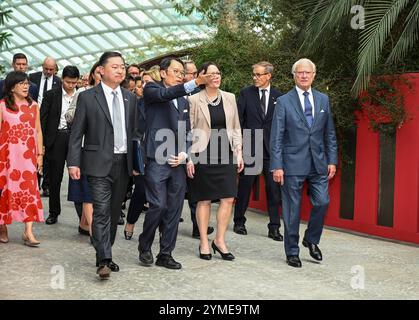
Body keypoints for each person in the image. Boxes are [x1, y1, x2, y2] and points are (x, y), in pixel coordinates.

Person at [67, 52, 138, 279]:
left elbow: (135, 134)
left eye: (122, 67)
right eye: (115, 66)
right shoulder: (88, 97)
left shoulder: (130, 98)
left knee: (115, 211)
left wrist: (136, 162)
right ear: (101, 70)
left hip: (123, 162)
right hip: (97, 163)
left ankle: (106, 251)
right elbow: (77, 134)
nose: (120, 70)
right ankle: (104, 259)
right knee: (101, 212)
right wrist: (73, 162)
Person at [138, 57, 213, 270]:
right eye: (176, 71)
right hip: (157, 158)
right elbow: (166, 94)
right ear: (162, 73)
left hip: (178, 161)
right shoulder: (152, 90)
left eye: (182, 72)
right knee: (158, 205)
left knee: (174, 209)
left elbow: (188, 132)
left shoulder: (183, 100)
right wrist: (195, 83)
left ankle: (165, 253)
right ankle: (145, 246)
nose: (180, 75)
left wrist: (185, 153)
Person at [270, 58, 338, 268]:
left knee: (322, 202)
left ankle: (311, 239)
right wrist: (277, 165)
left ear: (314, 75)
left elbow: (329, 133)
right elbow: (277, 136)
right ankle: (292, 251)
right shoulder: (283, 101)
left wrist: (332, 160)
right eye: (300, 72)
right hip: (291, 164)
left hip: (318, 163)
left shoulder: (323, 99)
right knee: (292, 209)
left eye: (308, 72)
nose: (304, 75)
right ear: (294, 75)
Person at [187, 62, 243, 261]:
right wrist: (190, 158)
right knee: (204, 199)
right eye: (211, 74)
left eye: (218, 72)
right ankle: (204, 241)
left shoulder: (230, 98)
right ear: (202, 77)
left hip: (225, 154)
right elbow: (189, 130)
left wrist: (239, 152)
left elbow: (235, 127)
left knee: (228, 197)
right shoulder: (193, 100)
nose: (216, 76)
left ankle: (219, 240)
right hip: (202, 155)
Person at [234, 61, 283, 241]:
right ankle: (239, 221)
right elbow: (238, 119)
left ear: (268, 76)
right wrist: (240, 145)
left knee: (273, 189)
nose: (255, 78)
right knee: (245, 187)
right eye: (253, 74)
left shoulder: (279, 97)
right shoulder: (246, 94)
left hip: (271, 150)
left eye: (258, 75)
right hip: (251, 148)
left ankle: (274, 227)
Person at [0, 71, 44, 246]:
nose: (26, 86)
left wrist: (39, 155)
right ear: (11, 88)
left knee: (29, 191)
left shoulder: (33, 105)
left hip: (27, 157)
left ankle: (28, 231)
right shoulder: (2, 106)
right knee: (5, 190)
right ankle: (3, 227)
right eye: (22, 83)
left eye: (27, 83)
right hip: (7, 157)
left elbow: (38, 131)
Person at [41, 65, 80, 225]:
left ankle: (83, 217)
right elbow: (42, 119)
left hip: (76, 139)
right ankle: (53, 212)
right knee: (55, 178)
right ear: (62, 79)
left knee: (78, 178)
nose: (70, 85)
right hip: (56, 138)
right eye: (67, 82)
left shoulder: (82, 95)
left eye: (73, 82)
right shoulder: (51, 95)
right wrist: (43, 142)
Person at [65, 61, 101, 236]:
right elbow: (69, 115)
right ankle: (95, 231)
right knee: (87, 191)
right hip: (85, 147)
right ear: (94, 75)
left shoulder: (115, 95)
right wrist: (83, 112)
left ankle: (84, 224)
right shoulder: (82, 93)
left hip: (106, 150)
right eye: (98, 73)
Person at [182, 60, 215, 238]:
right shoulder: (174, 93)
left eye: (196, 74)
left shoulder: (201, 94)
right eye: (191, 74)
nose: (194, 77)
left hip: (197, 147)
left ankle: (197, 226)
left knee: (196, 189)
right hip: (173, 147)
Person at [29, 56, 61, 198]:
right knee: (34, 150)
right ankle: (35, 182)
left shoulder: (58, 81)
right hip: (33, 117)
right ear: (42, 66)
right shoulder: (32, 78)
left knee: (47, 152)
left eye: (51, 69)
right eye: (46, 69)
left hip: (49, 121)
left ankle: (46, 185)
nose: (48, 71)